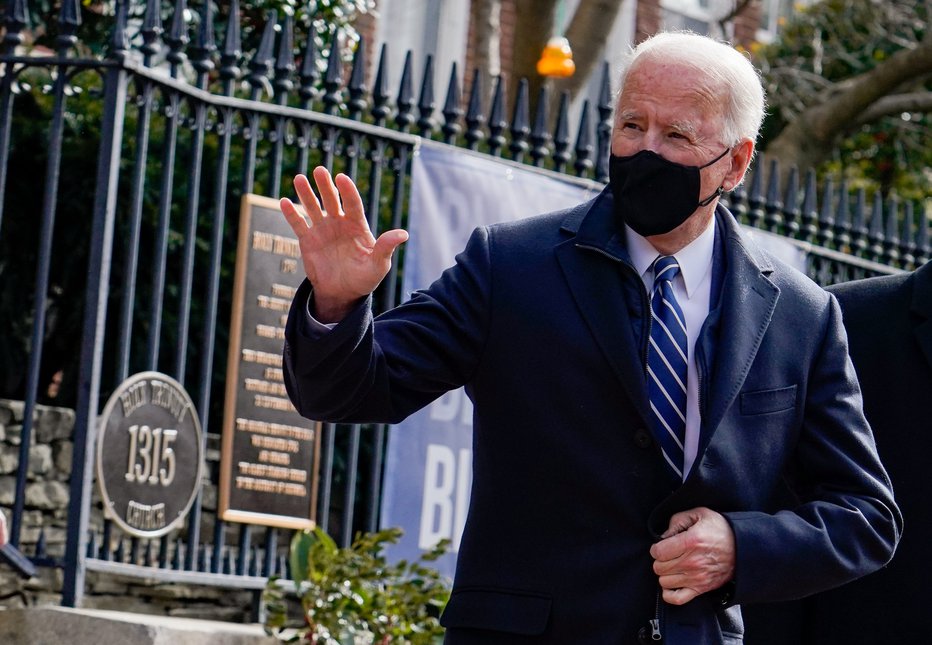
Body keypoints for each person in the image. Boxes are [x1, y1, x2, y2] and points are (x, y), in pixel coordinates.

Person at [280, 32, 901, 644]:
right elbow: (354, 391)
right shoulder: (511, 265)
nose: (645, 151)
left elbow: (865, 517)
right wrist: (337, 304)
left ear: (735, 163)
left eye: (676, 136)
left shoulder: (800, 314)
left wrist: (741, 546)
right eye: (632, 126)